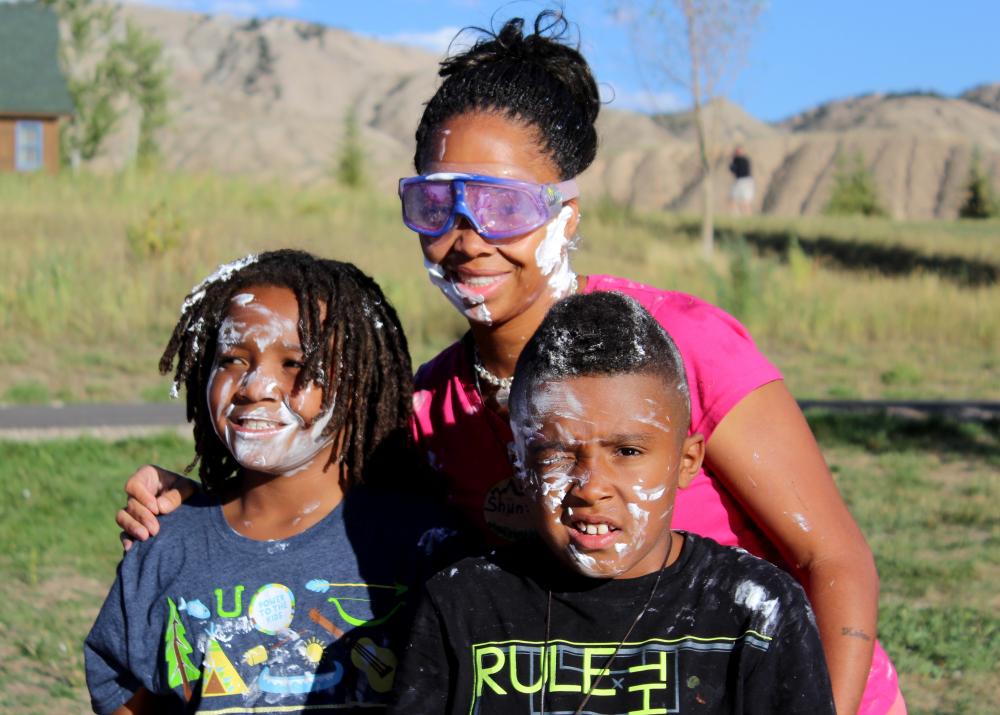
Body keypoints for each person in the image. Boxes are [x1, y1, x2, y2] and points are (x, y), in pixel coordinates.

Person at [116, 13, 904, 715]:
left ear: (566, 214)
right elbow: (313, 500)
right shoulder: (428, 410)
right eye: (435, 203)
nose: (466, 237)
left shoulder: (678, 348)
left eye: (502, 204)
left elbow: (832, 558)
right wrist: (202, 503)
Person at [390, 292, 836, 714]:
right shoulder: (462, 606)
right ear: (520, 466)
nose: (590, 487)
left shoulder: (754, 611)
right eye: (558, 454)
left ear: (686, 462)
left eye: (627, 451)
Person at [86, 250, 455, 714]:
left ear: (360, 382)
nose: (254, 386)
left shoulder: (424, 545)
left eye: (295, 364)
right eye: (232, 359)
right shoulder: (167, 546)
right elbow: (127, 696)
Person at [729, 146, 755, 215]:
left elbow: (733, 169)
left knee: (745, 202)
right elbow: (733, 170)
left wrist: (732, 160)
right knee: (734, 199)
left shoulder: (741, 160)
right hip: (741, 181)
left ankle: (747, 216)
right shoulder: (738, 159)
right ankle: (735, 215)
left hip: (744, 182)